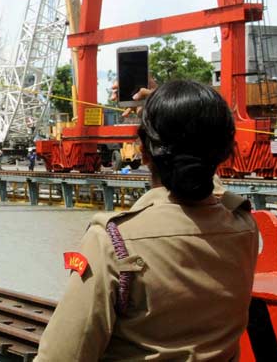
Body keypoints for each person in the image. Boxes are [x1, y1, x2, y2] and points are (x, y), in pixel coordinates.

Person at [36, 80, 258, 361]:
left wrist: (166, 109)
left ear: (143, 151)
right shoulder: (244, 228)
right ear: (225, 151)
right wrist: (183, 112)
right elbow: (211, 186)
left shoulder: (113, 243)